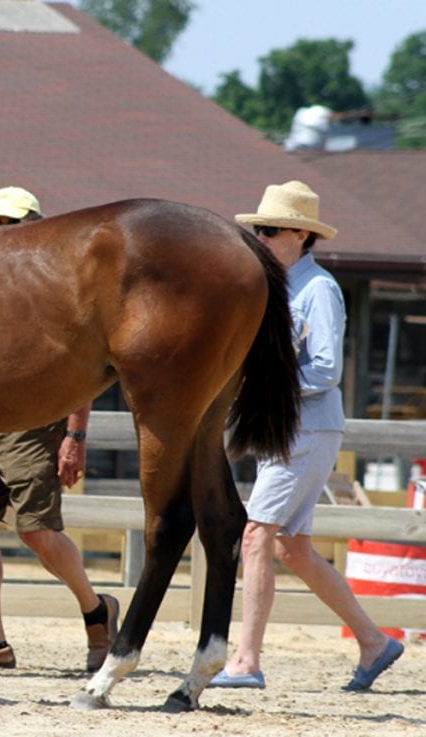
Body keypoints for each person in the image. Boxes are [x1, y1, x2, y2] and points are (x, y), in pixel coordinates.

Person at [211, 181, 403, 692]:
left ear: (299, 233)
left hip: (306, 426)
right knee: (292, 548)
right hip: (286, 429)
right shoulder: (275, 288)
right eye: (257, 229)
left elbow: (326, 369)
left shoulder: (318, 290)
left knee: (256, 535)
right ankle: (374, 641)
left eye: (269, 230)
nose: (260, 237)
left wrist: (262, 390)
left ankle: (247, 660)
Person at [0, 186, 117, 673]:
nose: (5, 235)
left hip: (32, 422)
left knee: (38, 531)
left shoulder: (59, 287)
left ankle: (96, 610)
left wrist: (75, 435)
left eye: (15, 224)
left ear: (38, 225)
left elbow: (86, 367)